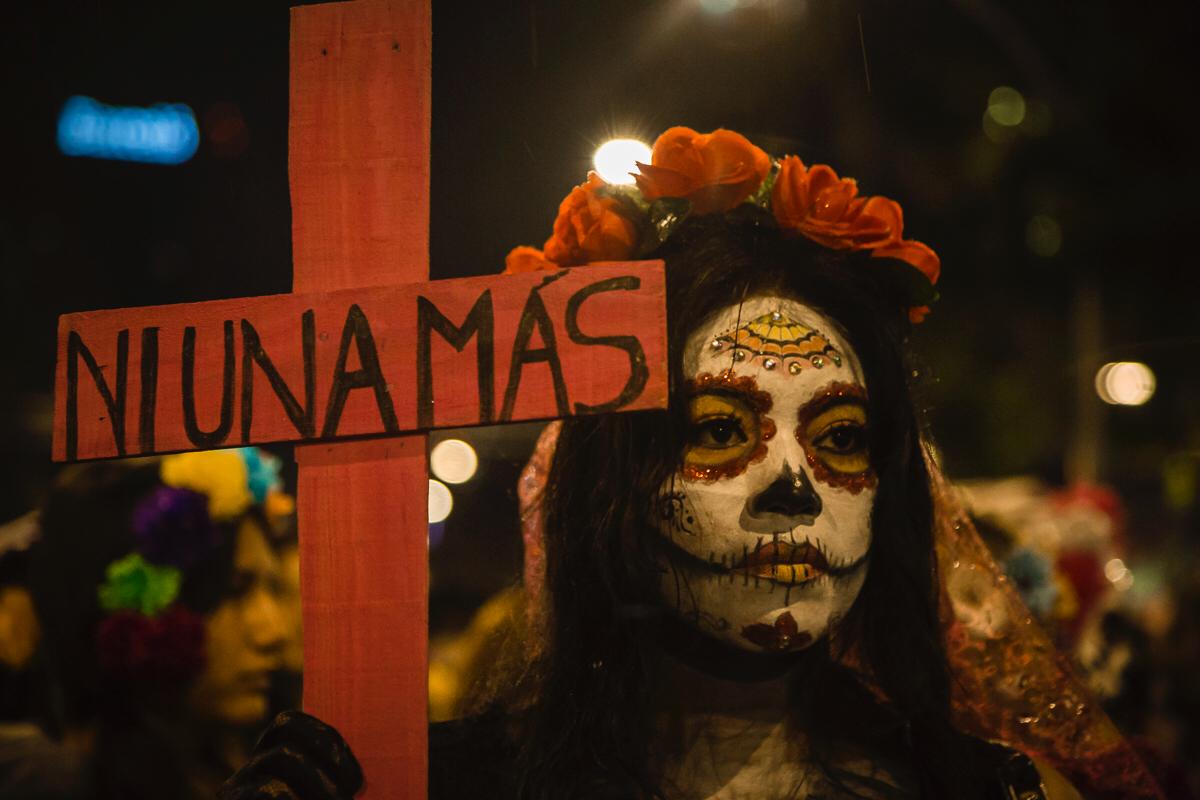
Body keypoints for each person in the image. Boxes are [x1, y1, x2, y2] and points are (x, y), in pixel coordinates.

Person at [224, 127, 1158, 798]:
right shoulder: (445, 785)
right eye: (717, 429)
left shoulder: (990, 792)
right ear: (609, 484)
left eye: (840, 439)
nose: (795, 485)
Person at [31, 448, 291, 800]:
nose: (275, 631)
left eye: (272, 589)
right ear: (141, 617)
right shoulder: (50, 784)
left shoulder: (240, 767)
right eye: (235, 591)